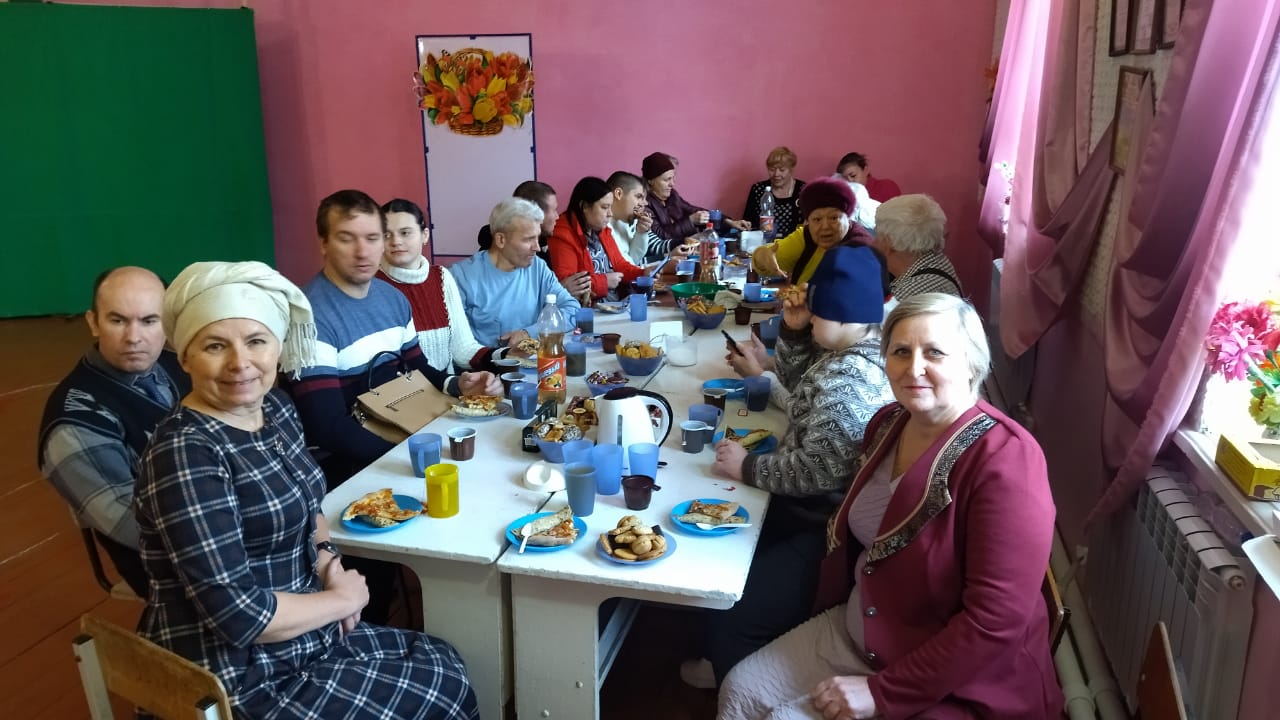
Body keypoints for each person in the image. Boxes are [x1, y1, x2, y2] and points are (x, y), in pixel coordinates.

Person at [137, 260, 480, 719]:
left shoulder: (275, 409)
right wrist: (341, 599)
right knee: (439, 689)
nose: (240, 363)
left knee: (443, 662)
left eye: (256, 341)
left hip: (302, 630)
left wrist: (329, 563)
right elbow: (237, 615)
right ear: (185, 358)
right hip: (232, 673)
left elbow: (309, 507)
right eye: (215, 346)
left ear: (277, 347)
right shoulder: (186, 452)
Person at [718, 293, 1062, 720]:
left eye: (934, 352)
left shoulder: (1007, 462)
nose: (914, 368)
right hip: (864, 631)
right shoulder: (887, 424)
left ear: (972, 363)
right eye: (901, 351)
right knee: (739, 690)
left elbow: (994, 623)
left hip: (955, 679)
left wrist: (883, 693)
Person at [683, 246, 896, 690]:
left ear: (842, 315)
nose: (809, 318)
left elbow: (818, 474)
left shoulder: (847, 380)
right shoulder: (854, 352)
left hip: (825, 526)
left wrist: (747, 467)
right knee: (725, 533)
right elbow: (803, 391)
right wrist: (797, 334)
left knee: (731, 595)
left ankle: (726, 671)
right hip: (817, 509)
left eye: (815, 314)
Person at [283, 190, 499, 489]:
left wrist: (458, 384)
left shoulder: (393, 299)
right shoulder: (309, 318)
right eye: (347, 238)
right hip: (351, 469)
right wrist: (408, 457)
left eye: (373, 238)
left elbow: (418, 368)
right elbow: (328, 427)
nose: (363, 251)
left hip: (402, 437)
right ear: (323, 243)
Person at [37, 266, 190, 597]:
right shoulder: (75, 424)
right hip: (171, 568)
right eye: (118, 320)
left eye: (149, 321)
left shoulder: (179, 366)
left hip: (227, 522)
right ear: (93, 322)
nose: (133, 337)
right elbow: (135, 527)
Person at [376, 198, 502, 373]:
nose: (395, 241)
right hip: (401, 389)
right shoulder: (374, 285)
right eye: (386, 235)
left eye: (405, 233)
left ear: (425, 235)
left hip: (447, 386)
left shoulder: (441, 277)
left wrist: (505, 355)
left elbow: (463, 349)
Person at [451, 197, 581, 347]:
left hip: (534, 358)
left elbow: (573, 310)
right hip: (488, 361)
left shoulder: (537, 267)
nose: (537, 248)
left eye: (537, 238)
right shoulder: (460, 277)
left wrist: (529, 333)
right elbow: (452, 340)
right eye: (528, 239)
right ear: (501, 240)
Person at [750, 177, 877, 285]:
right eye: (817, 219)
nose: (825, 226)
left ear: (848, 218)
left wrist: (808, 297)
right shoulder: (807, 236)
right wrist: (762, 256)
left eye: (834, 218)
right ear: (808, 221)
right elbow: (769, 257)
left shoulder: (861, 249)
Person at [548, 176, 646, 302]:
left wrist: (644, 273)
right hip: (588, 309)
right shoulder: (563, 234)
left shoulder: (600, 228)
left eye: (610, 207)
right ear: (584, 206)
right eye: (604, 207)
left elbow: (620, 265)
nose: (610, 213)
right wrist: (604, 281)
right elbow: (570, 285)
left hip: (615, 304)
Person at [643, 151, 751, 245]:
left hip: (686, 248)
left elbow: (694, 210)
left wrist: (729, 222)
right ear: (650, 181)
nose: (672, 184)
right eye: (667, 180)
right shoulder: (644, 203)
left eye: (673, 178)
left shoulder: (672, 196)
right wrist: (690, 220)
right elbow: (660, 236)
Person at [875, 194, 963, 299]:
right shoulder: (939, 261)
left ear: (888, 243)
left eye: (877, 235)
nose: (873, 242)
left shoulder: (903, 297)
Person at [607, 171, 694, 266]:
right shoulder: (603, 228)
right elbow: (630, 266)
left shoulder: (630, 221)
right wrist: (666, 259)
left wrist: (641, 232)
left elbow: (633, 260)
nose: (645, 203)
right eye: (639, 197)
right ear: (618, 194)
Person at [476, 180, 559, 261]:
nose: (557, 216)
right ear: (536, 213)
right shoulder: (506, 258)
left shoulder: (541, 245)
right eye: (554, 210)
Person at [742, 146, 807, 238]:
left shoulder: (803, 190)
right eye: (772, 169)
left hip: (795, 242)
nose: (776, 174)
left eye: (782, 170)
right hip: (763, 242)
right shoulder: (758, 189)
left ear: (791, 170)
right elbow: (747, 222)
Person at [836, 151, 902, 202]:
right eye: (846, 179)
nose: (850, 181)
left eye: (853, 176)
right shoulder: (848, 196)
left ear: (866, 170)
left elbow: (898, 213)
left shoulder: (887, 186)